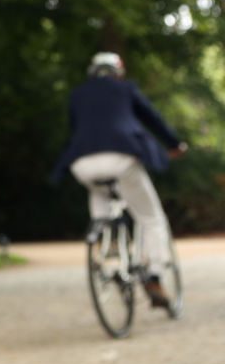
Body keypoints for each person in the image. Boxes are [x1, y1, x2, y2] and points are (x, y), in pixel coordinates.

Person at [51, 51, 187, 308]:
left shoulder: (78, 94)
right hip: (122, 157)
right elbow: (152, 119)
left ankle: (103, 246)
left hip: (82, 163)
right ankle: (154, 275)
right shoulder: (125, 89)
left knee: (99, 196)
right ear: (118, 71)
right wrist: (174, 145)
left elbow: (74, 129)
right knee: (151, 217)